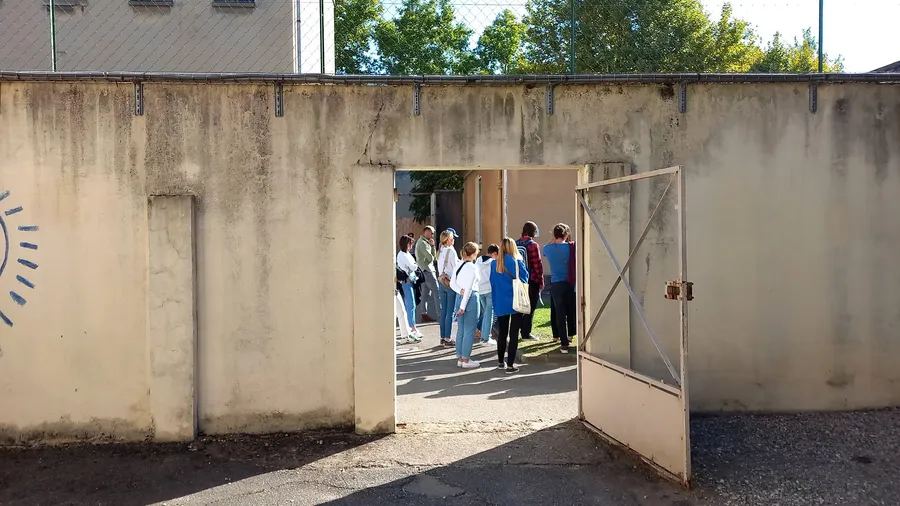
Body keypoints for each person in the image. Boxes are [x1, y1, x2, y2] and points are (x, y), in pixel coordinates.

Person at [490, 237, 529, 373]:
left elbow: (492, 284)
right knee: (513, 334)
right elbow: (525, 279)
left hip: (501, 301)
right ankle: (510, 365)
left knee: (502, 333)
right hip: (516, 301)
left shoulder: (494, 264)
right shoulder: (518, 262)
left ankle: (501, 361)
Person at [543, 224, 577, 353]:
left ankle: (564, 343)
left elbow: (545, 250)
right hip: (570, 282)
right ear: (566, 234)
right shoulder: (571, 247)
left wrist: (553, 240)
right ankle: (571, 335)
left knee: (560, 314)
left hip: (556, 283)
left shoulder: (548, 248)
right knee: (572, 310)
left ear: (554, 235)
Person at [450, 242, 482, 368]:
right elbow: (469, 288)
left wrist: (460, 292)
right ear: (473, 254)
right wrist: (463, 306)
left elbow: (452, 283)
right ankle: (466, 359)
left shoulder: (458, 265)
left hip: (459, 297)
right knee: (469, 330)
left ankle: (460, 356)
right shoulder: (473, 268)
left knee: (461, 330)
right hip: (470, 299)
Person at [516, 222, 544, 341]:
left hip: (519, 279)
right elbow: (537, 264)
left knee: (519, 306)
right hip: (532, 280)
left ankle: (515, 331)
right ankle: (526, 333)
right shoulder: (533, 245)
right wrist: (541, 280)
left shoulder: (516, 244)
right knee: (530, 307)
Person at [396, 235, 424, 341]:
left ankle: (412, 327)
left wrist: (414, 265)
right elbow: (414, 266)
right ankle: (412, 328)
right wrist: (414, 265)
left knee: (411, 304)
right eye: (410, 244)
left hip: (411, 280)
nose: (411, 246)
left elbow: (414, 265)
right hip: (406, 281)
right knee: (410, 305)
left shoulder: (406, 254)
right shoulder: (402, 255)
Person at [436, 228, 460, 346]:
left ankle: (442, 336)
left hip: (441, 280)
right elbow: (456, 267)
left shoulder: (441, 250)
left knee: (444, 311)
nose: (454, 240)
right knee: (450, 311)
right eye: (452, 238)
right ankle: (448, 337)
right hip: (450, 282)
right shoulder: (451, 251)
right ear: (448, 240)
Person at [414, 226, 441, 324]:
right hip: (428, 270)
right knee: (437, 291)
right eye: (429, 232)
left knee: (425, 294)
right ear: (425, 232)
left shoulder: (422, 242)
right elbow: (431, 258)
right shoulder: (423, 243)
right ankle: (440, 314)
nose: (431, 234)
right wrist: (433, 246)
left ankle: (423, 313)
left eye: (432, 233)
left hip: (423, 270)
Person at [475, 244, 499, 346]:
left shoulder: (478, 260)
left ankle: (484, 336)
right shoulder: (493, 263)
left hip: (480, 290)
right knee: (489, 314)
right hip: (489, 290)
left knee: (485, 314)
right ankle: (486, 338)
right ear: (494, 253)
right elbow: (494, 277)